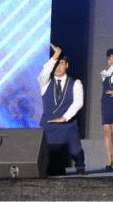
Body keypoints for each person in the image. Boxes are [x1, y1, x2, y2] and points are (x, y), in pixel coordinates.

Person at [38, 44, 85, 175]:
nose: (58, 67)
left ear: (67, 65)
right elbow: (44, 73)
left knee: (76, 152)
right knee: (53, 164)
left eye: (61, 63)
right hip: (50, 125)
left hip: (67, 125)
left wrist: (65, 117)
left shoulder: (75, 83)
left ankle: (80, 166)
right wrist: (55, 56)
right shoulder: (45, 82)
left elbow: (78, 103)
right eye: (56, 64)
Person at [99, 48, 113, 171]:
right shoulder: (105, 73)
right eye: (109, 58)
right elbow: (110, 72)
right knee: (107, 131)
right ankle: (109, 159)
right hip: (107, 103)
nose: (112, 61)